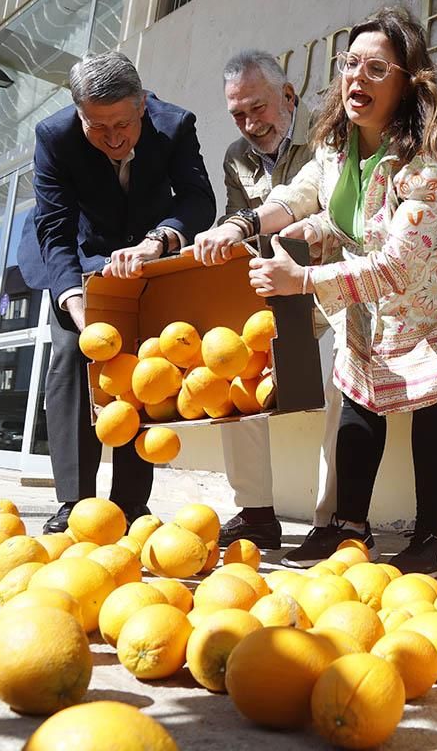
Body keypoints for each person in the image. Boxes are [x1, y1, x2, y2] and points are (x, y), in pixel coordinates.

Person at [247, 6, 437, 576]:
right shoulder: (338, 141)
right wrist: (254, 225)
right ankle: (347, 530)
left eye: (377, 69)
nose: (357, 78)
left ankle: (434, 537)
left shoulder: (433, 155)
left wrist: (303, 280)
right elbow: (311, 192)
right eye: (351, 64)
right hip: (377, 296)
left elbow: (398, 263)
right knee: (361, 398)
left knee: (434, 402)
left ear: (409, 83)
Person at [17, 51, 215, 533]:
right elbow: (56, 230)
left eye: (122, 124)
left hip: (146, 254)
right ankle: (74, 502)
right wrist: (76, 306)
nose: (112, 137)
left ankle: (130, 503)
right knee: (72, 356)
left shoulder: (175, 125)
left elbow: (198, 199)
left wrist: (160, 239)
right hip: (77, 252)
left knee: (141, 367)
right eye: (96, 125)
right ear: (78, 114)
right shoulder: (55, 137)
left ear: (142, 105)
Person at [190, 49, 342, 551]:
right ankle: (255, 512)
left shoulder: (330, 133)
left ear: (289, 96)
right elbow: (238, 224)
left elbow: (323, 203)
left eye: (259, 108)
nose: (251, 124)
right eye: (238, 114)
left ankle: (333, 519)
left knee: (347, 386)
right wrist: (213, 240)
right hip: (275, 286)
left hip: (335, 278)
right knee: (234, 365)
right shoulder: (236, 156)